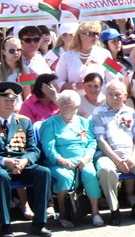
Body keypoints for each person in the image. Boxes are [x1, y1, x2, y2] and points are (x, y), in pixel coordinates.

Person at [0, 82, 53, 237]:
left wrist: (24, 161)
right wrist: (5, 162)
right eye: (5, 100)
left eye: (12, 101)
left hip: (20, 164)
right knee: (1, 176)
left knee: (43, 172)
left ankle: (39, 224)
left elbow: (33, 149)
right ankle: (6, 226)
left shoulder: (23, 122)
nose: (10, 104)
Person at [92, 80, 135, 226]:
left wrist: (133, 158)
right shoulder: (98, 113)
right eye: (111, 94)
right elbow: (101, 141)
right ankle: (114, 210)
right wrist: (117, 161)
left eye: (118, 94)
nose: (114, 98)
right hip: (108, 155)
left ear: (125, 95)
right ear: (105, 95)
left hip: (130, 155)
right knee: (105, 170)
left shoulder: (131, 113)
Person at [40, 90, 102, 228]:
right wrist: (61, 160)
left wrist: (86, 159)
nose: (65, 106)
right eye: (62, 103)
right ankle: (63, 215)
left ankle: (95, 212)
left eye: (69, 103)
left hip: (82, 161)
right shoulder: (50, 124)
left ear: (77, 106)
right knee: (65, 177)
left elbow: (92, 143)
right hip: (59, 163)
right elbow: (49, 148)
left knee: (90, 174)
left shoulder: (84, 122)